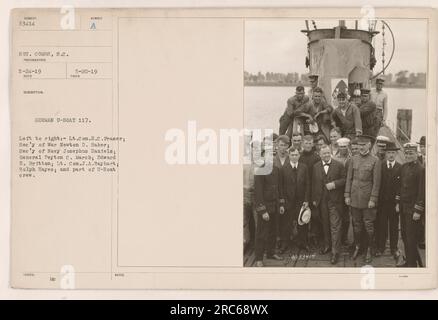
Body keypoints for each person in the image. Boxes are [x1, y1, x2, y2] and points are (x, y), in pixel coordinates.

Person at [345, 135, 382, 263]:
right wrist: (347, 195)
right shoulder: (353, 159)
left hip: (367, 200)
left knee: (369, 225)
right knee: (357, 225)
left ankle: (369, 249)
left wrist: (373, 199)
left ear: (369, 145)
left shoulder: (375, 161)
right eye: (359, 145)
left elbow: (376, 183)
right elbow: (349, 179)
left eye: (363, 145)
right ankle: (358, 247)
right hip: (354, 198)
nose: (361, 147)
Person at [312, 145, 346, 264]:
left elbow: (345, 179)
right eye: (323, 154)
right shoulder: (316, 167)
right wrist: (315, 200)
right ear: (320, 155)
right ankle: (327, 245)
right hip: (322, 201)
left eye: (328, 153)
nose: (326, 155)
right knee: (325, 224)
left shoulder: (339, 165)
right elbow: (313, 184)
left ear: (331, 153)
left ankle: (335, 252)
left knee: (335, 226)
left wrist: (335, 184)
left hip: (334, 201)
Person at [396, 143, 425, 267]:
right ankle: (410, 261)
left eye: (411, 153)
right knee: (404, 236)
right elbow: (400, 187)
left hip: (413, 211)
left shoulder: (421, 169)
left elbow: (422, 191)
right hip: (403, 208)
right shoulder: (403, 167)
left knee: (411, 238)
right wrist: (398, 203)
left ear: (416, 154)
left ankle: (412, 264)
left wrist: (418, 210)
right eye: (406, 153)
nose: (408, 155)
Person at [254, 143, 283, 267]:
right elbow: (258, 193)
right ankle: (259, 258)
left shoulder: (276, 169)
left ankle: (271, 252)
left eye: (272, 154)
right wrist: (262, 211)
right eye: (268, 154)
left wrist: (281, 204)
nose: (271, 157)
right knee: (262, 233)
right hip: (265, 208)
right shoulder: (259, 170)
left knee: (273, 231)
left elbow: (280, 188)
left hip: (275, 206)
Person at [375, 141, 402, 258]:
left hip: (393, 203)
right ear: (385, 154)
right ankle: (380, 247)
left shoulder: (400, 167)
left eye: (393, 153)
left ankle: (394, 248)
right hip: (382, 203)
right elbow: (377, 183)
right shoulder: (380, 165)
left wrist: (398, 202)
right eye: (389, 152)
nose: (391, 155)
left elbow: (401, 187)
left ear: (396, 154)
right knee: (381, 225)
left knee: (394, 226)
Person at [281, 147, 311, 251]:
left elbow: (307, 184)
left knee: (302, 222)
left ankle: (303, 242)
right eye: (292, 155)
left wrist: (306, 200)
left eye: (296, 155)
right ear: (289, 156)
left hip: (301, 201)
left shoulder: (304, 167)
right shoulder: (284, 168)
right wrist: (283, 201)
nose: (294, 157)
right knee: (286, 223)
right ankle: (285, 243)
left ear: (299, 156)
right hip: (288, 201)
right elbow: (281, 186)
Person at [299, 135, 321, 247]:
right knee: (303, 214)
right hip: (302, 191)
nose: (308, 145)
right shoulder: (299, 157)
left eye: (310, 143)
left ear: (313, 144)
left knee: (315, 215)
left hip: (314, 190)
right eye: (306, 143)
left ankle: (314, 236)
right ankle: (302, 239)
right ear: (303, 144)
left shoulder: (317, 157)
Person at [333, 137, 351, 245]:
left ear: (348, 146)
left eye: (344, 147)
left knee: (347, 215)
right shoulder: (334, 158)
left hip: (348, 190)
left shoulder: (352, 158)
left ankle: (344, 237)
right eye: (341, 147)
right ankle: (337, 238)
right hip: (338, 190)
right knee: (337, 214)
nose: (343, 149)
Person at [274, 135, 290, 252]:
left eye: (285, 145)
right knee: (277, 218)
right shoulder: (273, 160)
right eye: (280, 145)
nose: (282, 148)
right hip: (276, 193)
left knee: (286, 219)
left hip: (288, 193)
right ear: (277, 146)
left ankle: (285, 241)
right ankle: (277, 240)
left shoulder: (292, 158)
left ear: (287, 146)